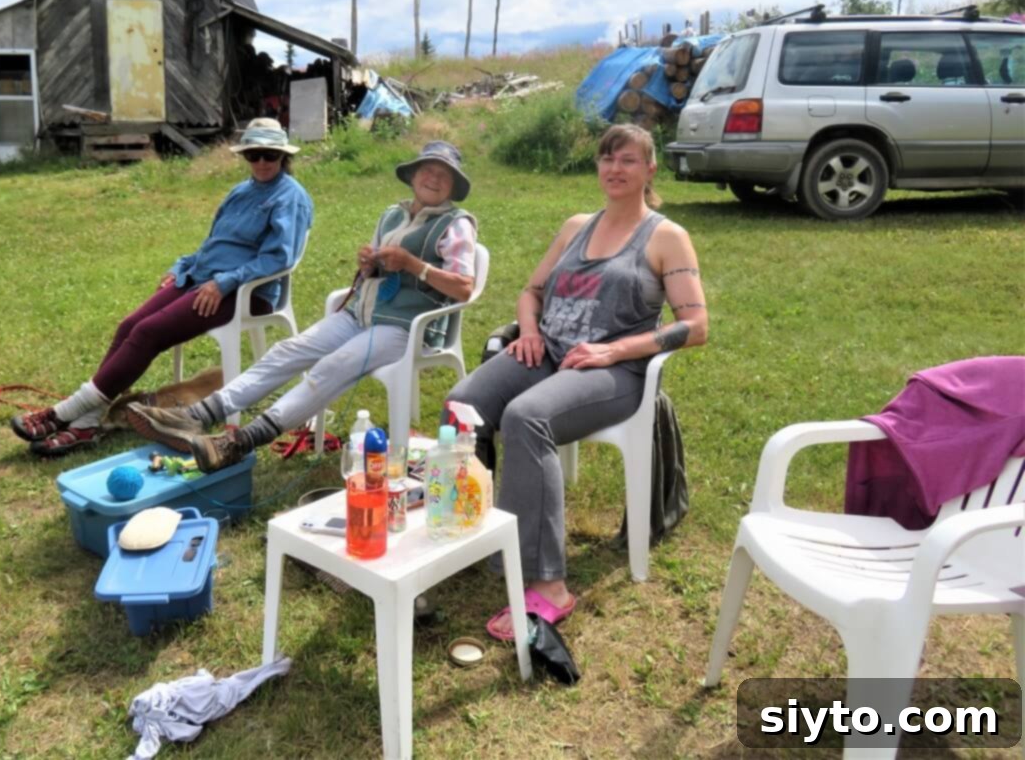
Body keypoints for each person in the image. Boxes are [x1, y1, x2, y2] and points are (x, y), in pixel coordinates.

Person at [443, 124, 708, 641]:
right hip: (549, 353)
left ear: (650, 170)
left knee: (526, 418)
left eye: (628, 160)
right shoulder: (575, 226)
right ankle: (471, 529)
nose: (615, 169)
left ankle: (550, 585)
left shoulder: (666, 237)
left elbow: (695, 326)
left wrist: (614, 348)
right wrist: (527, 331)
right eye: (607, 159)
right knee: (462, 403)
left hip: (614, 373)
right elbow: (531, 291)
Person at [129, 140, 479, 474]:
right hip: (362, 315)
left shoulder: (455, 224)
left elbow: (464, 288)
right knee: (288, 350)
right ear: (413, 175)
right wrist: (369, 265)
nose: (432, 178)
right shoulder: (393, 215)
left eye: (442, 174)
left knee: (333, 365)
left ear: (452, 186)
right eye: (427, 170)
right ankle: (200, 414)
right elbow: (378, 270)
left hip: (407, 327)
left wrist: (413, 264)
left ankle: (240, 442)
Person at [9, 118, 313, 457]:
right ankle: (87, 422)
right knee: (129, 325)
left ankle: (63, 413)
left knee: (149, 332)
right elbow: (215, 244)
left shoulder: (291, 198)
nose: (260, 163)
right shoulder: (240, 191)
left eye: (269, 155)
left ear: (283, 156)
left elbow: (280, 259)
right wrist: (181, 267)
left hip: (246, 292)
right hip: (202, 279)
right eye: (253, 155)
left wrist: (224, 283)